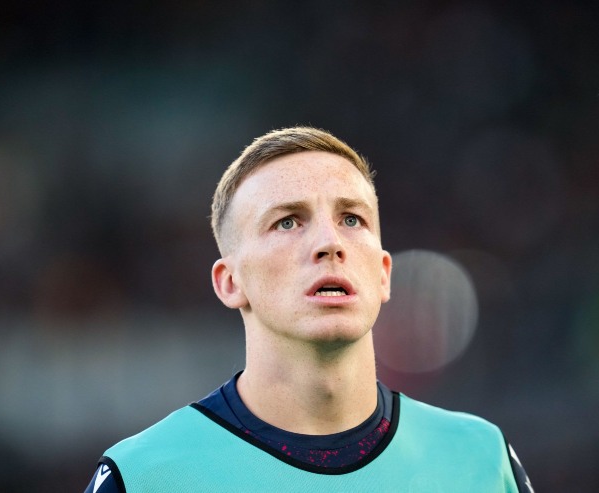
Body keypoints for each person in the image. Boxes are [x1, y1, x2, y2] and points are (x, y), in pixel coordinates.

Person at [84, 127, 534, 492]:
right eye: (287, 221)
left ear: (382, 274)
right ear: (230, 282)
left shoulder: (482, 458)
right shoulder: (143, 476)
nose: (329, 243)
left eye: (351, 219)